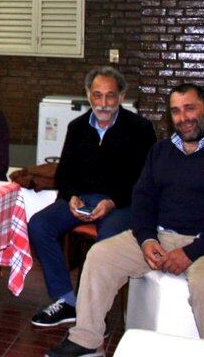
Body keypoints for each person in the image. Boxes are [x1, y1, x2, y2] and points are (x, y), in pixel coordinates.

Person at [45, 83, 204, 357]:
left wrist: (191, 252)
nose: (183, 117)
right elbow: (143, 201)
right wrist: (147, 239)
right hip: (165, 236)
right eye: (175, 111)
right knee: (100, 255)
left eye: (190, 108)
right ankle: (86, 340)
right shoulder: (161, 152)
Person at [27, 67, 157, 327]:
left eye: (110, 96)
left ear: (121, 96)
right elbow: (64, 173)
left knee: (105, 245)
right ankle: (67, 301)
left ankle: (91, 308)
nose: (104, 103)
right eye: (97, 95)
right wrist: (71, 196)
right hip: (82, 200)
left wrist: (113, 202)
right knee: (39, 225)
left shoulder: (140, 129)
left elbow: (145, 181)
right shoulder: (77, 127)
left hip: (121, 203)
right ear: (88, 95)